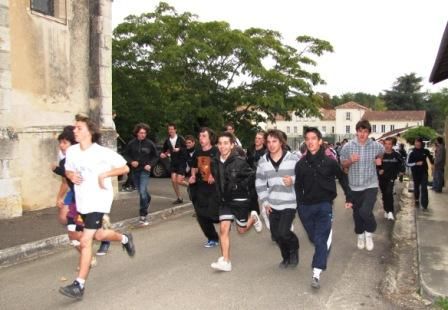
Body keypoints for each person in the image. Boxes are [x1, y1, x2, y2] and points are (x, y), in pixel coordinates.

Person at [59, 114, 135, 300]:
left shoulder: (102, 152)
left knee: (85, 241)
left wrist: (104, 175)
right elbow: (67, 170)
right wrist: (71, 175)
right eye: (75, 128)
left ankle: (79, 285)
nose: (74, 131)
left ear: (90, 132)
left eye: (79, 128)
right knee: (100, 235)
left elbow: (125, 168)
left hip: (99, 201)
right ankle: (125, 238)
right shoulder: (72, 151)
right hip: (83, 202)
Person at [295, 127, 352, 289]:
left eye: (314, 138)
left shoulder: (330, 162)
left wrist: (349, 196)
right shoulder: (300, 165)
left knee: (320, 240)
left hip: (324, 205)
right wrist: (299, 205)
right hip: (306, 207)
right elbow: (298, 186)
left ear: (320, 141)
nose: (310, 141)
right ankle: (324, 242)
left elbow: (342, 177)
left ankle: (316, 272)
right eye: (308, 139)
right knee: (316, 239)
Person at [52, 126, 110, 257]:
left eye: (64, 143)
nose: (61, 146)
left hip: (87, 193)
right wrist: (59, 197)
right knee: (64, 219)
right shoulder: (63, 160)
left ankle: (101, 236)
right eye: (60, 143)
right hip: (74, 192)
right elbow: (65, 181)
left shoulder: (85, 157)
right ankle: (90, 237)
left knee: (81, 227)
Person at [210, 132, 263, 272]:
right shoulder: (214, 162)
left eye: (226, 143)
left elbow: (251, 177)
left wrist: (240, 187)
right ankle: (226, 261)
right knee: (223, 229)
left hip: (240, 200)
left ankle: (253, 217)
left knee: (241, 229)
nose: (222, 146)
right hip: (224, 201)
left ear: (232, 145)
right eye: (220, 143)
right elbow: (218, 180)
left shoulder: (239, 161)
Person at [256, 129, 299, 268]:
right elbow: (260, 182)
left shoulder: (293, 159)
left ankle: (294, 249)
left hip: (290, 202)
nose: (271, 144)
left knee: (284, 232)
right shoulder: (263, 162)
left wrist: (293, 180)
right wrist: (265, 201)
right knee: (276, 234)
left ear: (281, 142)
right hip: (272, 203)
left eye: (274, 141)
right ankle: (286, 257)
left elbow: (304, 177)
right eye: (268, 142)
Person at [340, 120, 384, 251]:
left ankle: (369, 232)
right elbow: (343, 164)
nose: (362, 134)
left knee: (365, 211)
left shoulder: (376, 146)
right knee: (357, 214)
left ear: (369, 133)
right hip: (354, 186)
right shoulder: (348, 146)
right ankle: (360, 235)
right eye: (360, 131)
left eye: (365, 131)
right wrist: (350, 161)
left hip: (371, 184)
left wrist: (379, 159)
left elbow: (382, 152)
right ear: (356, 132)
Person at [189, 127, 220, 248]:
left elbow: (221, 167)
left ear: (210, 138)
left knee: (213, 213)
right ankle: (212, 238)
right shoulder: (197, 152)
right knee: (201, 214)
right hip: (200, 187)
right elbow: (194, 166)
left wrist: (214, 175)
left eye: (204, 136)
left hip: (214, 188)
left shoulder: (216, 151)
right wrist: (192, 176)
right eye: (200, 136)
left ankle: (225, 224)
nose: (201, 139)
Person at [123, 123, 159, 225]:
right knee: (142, 193)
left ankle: (143, 215)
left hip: (145, 171)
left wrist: (150, 165)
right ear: (137, 133)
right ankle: (148, 198)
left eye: (144, 133)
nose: (143, 135)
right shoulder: (131, 143)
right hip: (135, 171)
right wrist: (131, 162)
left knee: (142, 192)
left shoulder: (150, 144)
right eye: (141, 133)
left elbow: (156, 156)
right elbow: (125, 154)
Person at [377, 137, 405, 221]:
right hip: (382, 178)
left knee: (389, 192)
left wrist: (402, 171)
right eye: (386, 144)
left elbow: (401, 164)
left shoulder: (396, 155)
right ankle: (386, 209)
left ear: (392, 145)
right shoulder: (380, 155)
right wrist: (379, 170)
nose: (387, 146)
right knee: (384, 194)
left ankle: (390, 211)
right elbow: (377, 165)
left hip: (391, 177)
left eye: (389, 144)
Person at [160, 123, 187, 204]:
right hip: (173, 162)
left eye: (172, 129)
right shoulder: (167, 140)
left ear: (175, 130)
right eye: (169, 129)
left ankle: (192, 186)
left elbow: (186, 149)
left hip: (181, 162)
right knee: (173, 180)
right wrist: (163, 154)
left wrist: (179, 149)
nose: (170, 131)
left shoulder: (180, 138)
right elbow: (164, 150)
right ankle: (179, 198)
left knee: (179, 181)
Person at [406, 137, 434, 209]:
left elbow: (431, 159)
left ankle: (424, 204)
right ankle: (417, 200)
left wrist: (433, 165)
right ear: (414, 143)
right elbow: (407, 163)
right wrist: (416, 163)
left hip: (424, 172)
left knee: (424, 188)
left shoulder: (426, 151)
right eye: (416, 142)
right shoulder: (411, 152)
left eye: (418, 142)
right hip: (415, 173)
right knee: (416, 187)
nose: (417, 143)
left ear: (421, 143)